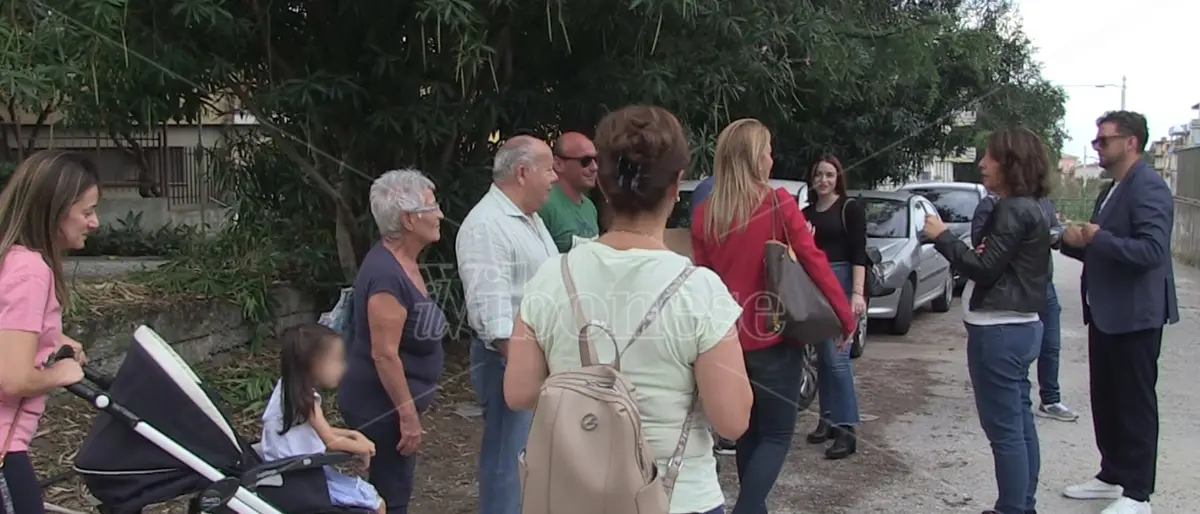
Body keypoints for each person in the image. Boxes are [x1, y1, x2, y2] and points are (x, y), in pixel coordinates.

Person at [504, 104, 753, 514]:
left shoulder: (551, 277)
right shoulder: (701, 290)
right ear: (677, 183)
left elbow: (520, 391)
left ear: (602, 182)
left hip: (572, 495)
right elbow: (732, 419)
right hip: (676, 497)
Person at [690, 118, 854, 514]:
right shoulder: (778, 203)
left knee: (747, 432)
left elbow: (704, 282)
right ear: (752, 158)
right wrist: (844, 316)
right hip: (773, 335)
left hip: (726, 340)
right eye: (766, 151)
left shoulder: (705, 214)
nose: (771, 158)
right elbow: (814, 263)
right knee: (778, 433)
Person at [921, 127, 1053, 514]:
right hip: (1021, 326)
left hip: (999, 331)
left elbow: (983, 268)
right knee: (1019, 423)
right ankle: (1021, 504)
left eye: (990, 156)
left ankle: (1013, 507)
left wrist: (943, 236)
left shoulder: (1012, 209)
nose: (982, 163)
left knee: (1005, 431)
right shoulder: (1031, 206)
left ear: (1010, 163)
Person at [1059, 111, 1177, 514]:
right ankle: (1112, 474)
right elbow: (1100, 245)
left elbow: (1151, 251)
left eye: (1103, 140)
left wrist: (1098, 237)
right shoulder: (1112, 188)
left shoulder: (1149, 187)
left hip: (1136, 315)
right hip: (1106, 311)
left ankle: (1138, 493)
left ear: (1130, 142)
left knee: (1134, 403)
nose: (1097, 146)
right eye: (1095, 140)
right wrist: (1070, 240)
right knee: (1106, 398)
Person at [456, 136, 559, 514]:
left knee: (528, 458)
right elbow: (492, 313)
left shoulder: (528, 218)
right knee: (508, 460)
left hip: (532, 358)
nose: (554, 177)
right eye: (549, 168)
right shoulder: (486, 226)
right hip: (508, 359)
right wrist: (524, 368)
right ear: (522, 172)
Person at [338, 169, 448, 514]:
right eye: (432, 207)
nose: (440, 214)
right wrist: (408, 416)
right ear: (408, 219)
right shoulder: (386, 276)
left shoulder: (404, 262)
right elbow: (384, 355)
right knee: (391, 499)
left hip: (387, 406)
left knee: (386, 495)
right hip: (380, 408)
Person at [0, 150, 97, 514]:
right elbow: (12, 378)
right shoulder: (31, 272)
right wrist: (60, 372)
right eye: (86, 212)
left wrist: (50, 340)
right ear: (55, 209)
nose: (95, 222)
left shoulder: (11, 257)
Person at [971, 193, 1078, 422]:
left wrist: (1054, 235)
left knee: (1051, 343)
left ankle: (1050, 399)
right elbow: (979, 244)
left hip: (1042, 284)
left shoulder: (1043, 202)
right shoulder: (991, 204)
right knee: (1019, 344)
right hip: (1010, 288)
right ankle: (1016, 397)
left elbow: (1057, 232)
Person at [262, 324, 385, 514]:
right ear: (313, 363)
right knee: (376, 503)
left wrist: (353, 434)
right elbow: (331, 441)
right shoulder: (307, 401)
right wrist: (365, 448)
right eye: (336, 360)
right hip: (302, 477)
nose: (343, 368)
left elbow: (315, 430)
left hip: (289, 474)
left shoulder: (287, 391)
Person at [801, 156, 866, 460]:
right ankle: (826, 419)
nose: (823, 180)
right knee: (823, 357)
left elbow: (859, 253)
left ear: (838, 177)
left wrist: (857, 293)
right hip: (815, 283)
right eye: (818, 174)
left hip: (841, 281)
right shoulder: (806, 213)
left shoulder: (849, 209)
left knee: (838, 357)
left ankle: (846, 428)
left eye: (829, 174)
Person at [540, 132, 600, 252]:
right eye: (586, 161)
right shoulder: (544, 204)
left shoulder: (589, 206)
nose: (594, 167)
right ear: (558, 164)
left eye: (596, 159)